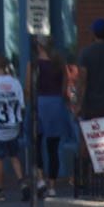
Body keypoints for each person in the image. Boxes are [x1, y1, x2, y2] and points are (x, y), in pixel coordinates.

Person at [31, 38, 74, 196]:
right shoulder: (59, 64)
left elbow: (29, 88)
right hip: (56, 104)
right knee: (53, 147)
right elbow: (64, 90)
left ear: (39, 46)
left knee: (36, 143)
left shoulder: (34, 64)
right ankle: (52, 186)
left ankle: (41, 178)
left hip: (40, 103)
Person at [0, 53, 27, 202]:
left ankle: (0, 189)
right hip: (13, 125)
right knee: (14, 156)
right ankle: (22, 182)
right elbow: (21, 105)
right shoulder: (15, 83)